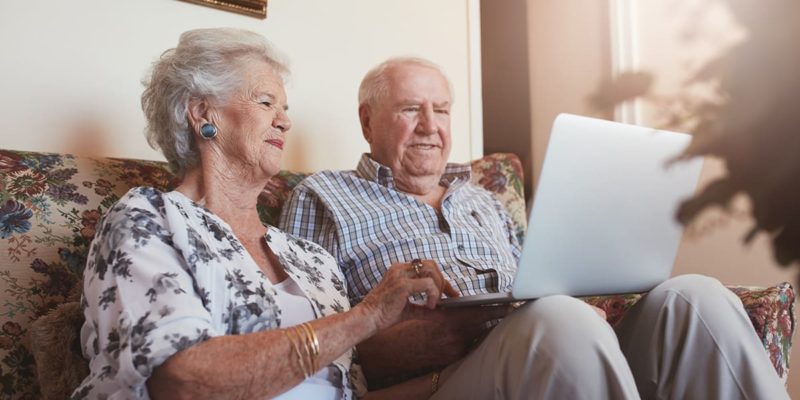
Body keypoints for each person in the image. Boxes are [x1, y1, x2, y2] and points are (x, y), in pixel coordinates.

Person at [279, 57, 789, 399]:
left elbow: (540, 287)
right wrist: (395, 342)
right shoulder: (322, 198)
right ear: (368, 121)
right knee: (562, 322)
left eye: (441, 110)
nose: (430, 125)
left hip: (552, 348)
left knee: (694, 298)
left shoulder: (484, 199)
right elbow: (311, 349)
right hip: (441, 380)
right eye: (411, 109)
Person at [73, 29, 460, 400]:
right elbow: (184, 383)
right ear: (202, 113)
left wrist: (460, 373)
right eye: (265, 102)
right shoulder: (149, 220)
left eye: (285, 108)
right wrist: (367, 315)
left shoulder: (311, 259)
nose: (285, 120)